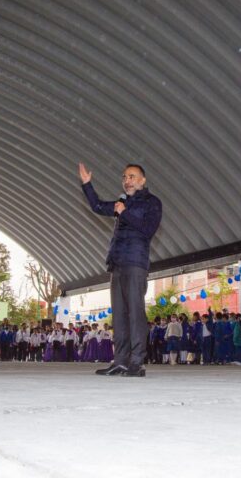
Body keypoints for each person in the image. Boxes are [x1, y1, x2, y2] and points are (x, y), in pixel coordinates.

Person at [79, 162, 162, 377]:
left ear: (143, 180)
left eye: (132, 176)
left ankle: (137, 362)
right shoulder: (121, 203)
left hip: (135, 262)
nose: (127, 180)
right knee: (119, 317)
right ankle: (120, 361)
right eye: (124, 177)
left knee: (135, 313)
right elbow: (97, 206)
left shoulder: (152, 203)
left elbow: (148, 229)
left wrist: (124, 213)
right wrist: (87, 184)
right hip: (117, 263)